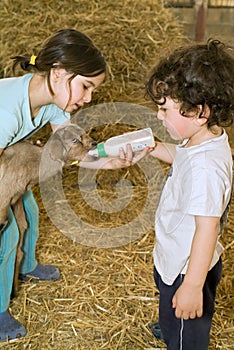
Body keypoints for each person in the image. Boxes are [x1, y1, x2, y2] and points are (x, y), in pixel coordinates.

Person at [0, 28, 137, 342]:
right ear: (58, 73)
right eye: (86, 86)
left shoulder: (55, 100)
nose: (88, 98)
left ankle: (27, 265)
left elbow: (71, 147)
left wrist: (109, 162)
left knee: (29, 215)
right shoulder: (6, 111)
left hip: (9, 168)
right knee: (7, 235)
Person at [144, 39, 234, 349]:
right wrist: (155, 148)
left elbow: (207, 227)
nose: (159, 116)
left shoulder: (207, 169)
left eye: (164, 108)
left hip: (188, 268)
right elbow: (182, 158)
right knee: (170, 305)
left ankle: (179, 335)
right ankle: (171, 324)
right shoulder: (200, 139)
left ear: (199, 111)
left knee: (186, 334)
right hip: (175, 257)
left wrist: (193, 286)